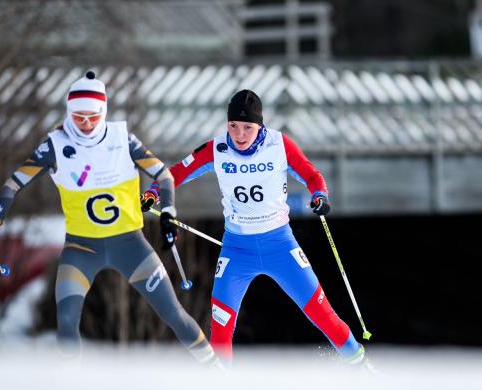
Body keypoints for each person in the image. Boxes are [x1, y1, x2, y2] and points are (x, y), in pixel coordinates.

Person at [0, 71, 219, 366]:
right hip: (81, 249)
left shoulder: (121, 138)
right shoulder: (54, 145)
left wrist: (167, 214)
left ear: (104, 112)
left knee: (172, 313)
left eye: (92, 117)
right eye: (78, 117)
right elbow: (13, 184)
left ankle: (216, 371)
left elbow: (164, 175)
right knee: (66, 321)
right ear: (68, 112)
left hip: (130, 246)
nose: (85, 125)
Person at [141, 89, 371, 368]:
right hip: (237, 251)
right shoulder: (217, 149)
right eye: (233, 126)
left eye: (247, 127)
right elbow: (176, 173)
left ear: (260, 126)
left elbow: (311, 174)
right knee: (221, 327)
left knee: (322, 315)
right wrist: (154, 191)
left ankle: (361, 366)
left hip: (280, 246)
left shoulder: (279, 144)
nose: (239, 134)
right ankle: (221, 387)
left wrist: (319, 195)